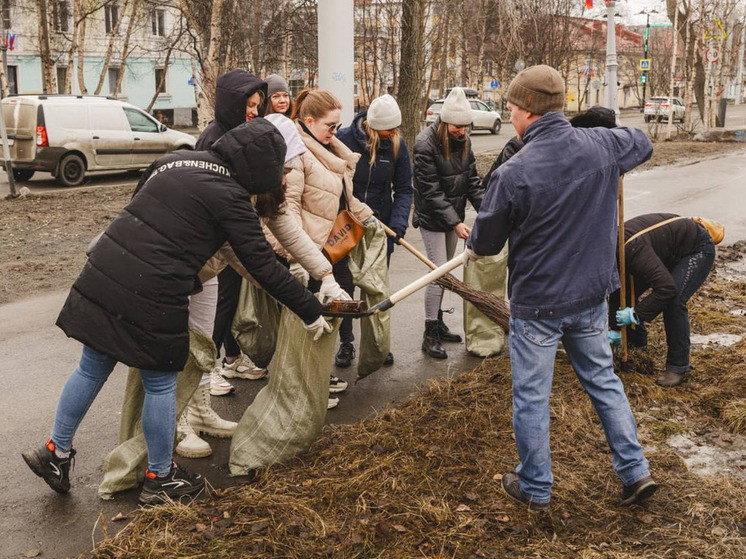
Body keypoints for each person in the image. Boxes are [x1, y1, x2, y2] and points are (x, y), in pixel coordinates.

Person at [22, 119, 332, 505]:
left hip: (104, 268)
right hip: (154, 289)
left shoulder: (175, 161)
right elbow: (262, 265)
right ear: (261, 165)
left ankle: (55, 451)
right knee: (160, 383)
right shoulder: (230, 195)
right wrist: (310, 309)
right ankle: (160, 477)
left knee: (91, 367)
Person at [467, 65, 658, 510]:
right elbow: (643, 142)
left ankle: (535, 486)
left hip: (539, 305)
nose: (510, 116)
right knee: (604, 382)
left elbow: (485, 243)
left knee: (531, 397)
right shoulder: (601, 145)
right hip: (592, 295)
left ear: (528, 111)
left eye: (512, 108)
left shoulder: (513, 172)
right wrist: (600, 128)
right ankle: (635, 472)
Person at [275, 88, 375, 406]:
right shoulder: (299, 153)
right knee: (308, 318)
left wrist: (363, 215)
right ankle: (304, 385)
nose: (336, 132)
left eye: (337, 125)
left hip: (330, 243)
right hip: (307, 249)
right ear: (308, 121)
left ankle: (318, 373)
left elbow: (341, 195)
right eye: (330, 126)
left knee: (333, 304)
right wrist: (294, 257)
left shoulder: (329, 149)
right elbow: (288, 206)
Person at [196, 70, 269, 393]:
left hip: (230, 232)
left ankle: (230, 358)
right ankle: (209, 367)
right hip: (215, 238)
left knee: (229, 297)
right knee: (220, 303)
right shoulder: (216, 139)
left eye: (257, 105)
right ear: (231, 103)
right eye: (248, 104)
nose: (254, 111)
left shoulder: (238, 133)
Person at [336, 93, 413, 367]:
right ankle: (346, 343)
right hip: (347, 224)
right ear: (373, 124)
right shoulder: (344, 139)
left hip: (381, 227)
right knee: (345, 286)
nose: (393, 133)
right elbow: (335, 184)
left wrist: (398, 223)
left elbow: (404, 189)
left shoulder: (396, 145)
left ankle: (377, 343)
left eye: (395, 129)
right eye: (388, 128)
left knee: (376, 287)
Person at [610, 213, 722, 387]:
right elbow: (618, 293)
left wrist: (635, 314)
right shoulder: (612, 250)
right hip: (662, 251)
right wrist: (615, 329)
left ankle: (678, 367)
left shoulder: (631, 249)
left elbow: (666, 289)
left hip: (695, 248)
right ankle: (637, 346)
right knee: (622, 292)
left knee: (674, 300)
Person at [412, 87, 484, 359]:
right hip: (432, 219)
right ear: (444, 122)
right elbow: (430, 191)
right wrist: (455, 223)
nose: (462, 131)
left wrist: (489, 212)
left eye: (466, 126)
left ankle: (438, 323)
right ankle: (429, 334)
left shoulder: (465, 142)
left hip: (453, 216)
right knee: (438, 275)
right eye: (457, 126)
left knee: (446, 276)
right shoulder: (425, 144)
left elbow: (473, 182)